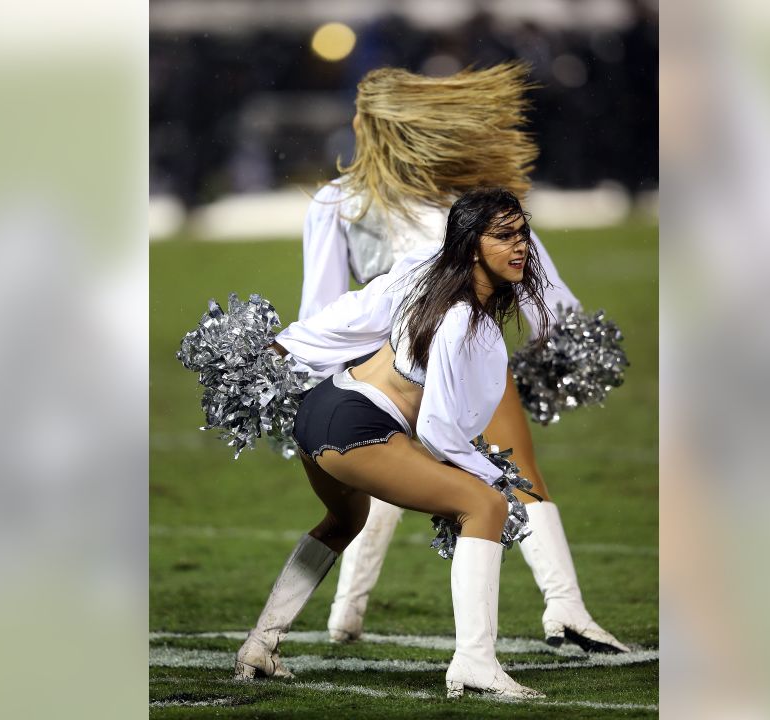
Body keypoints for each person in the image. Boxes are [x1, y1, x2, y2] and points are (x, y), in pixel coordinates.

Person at [301, 62, 629, 653]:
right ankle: (566, 609)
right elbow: (538, 277)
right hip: (464, 342)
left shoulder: (336, 201)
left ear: (373, 126)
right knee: (511, 471)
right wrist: (559, 334)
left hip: (383, 362)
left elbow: (322, 305)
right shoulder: (464, 197)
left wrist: (321, 379)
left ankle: (344, 616)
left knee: (389, 480)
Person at [235, 188, 549, 699]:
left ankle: (260, 644)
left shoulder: (422, 272)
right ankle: (475, 662)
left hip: (320, 408)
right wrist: (491, 475)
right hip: (358, 428)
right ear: (472, 246)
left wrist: (287, 346)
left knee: (345, 521)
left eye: (522, 233)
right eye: (503, 236)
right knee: (483, 505)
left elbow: (355, 311)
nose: (520, 247)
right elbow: (438, 431)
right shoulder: (463, 319)